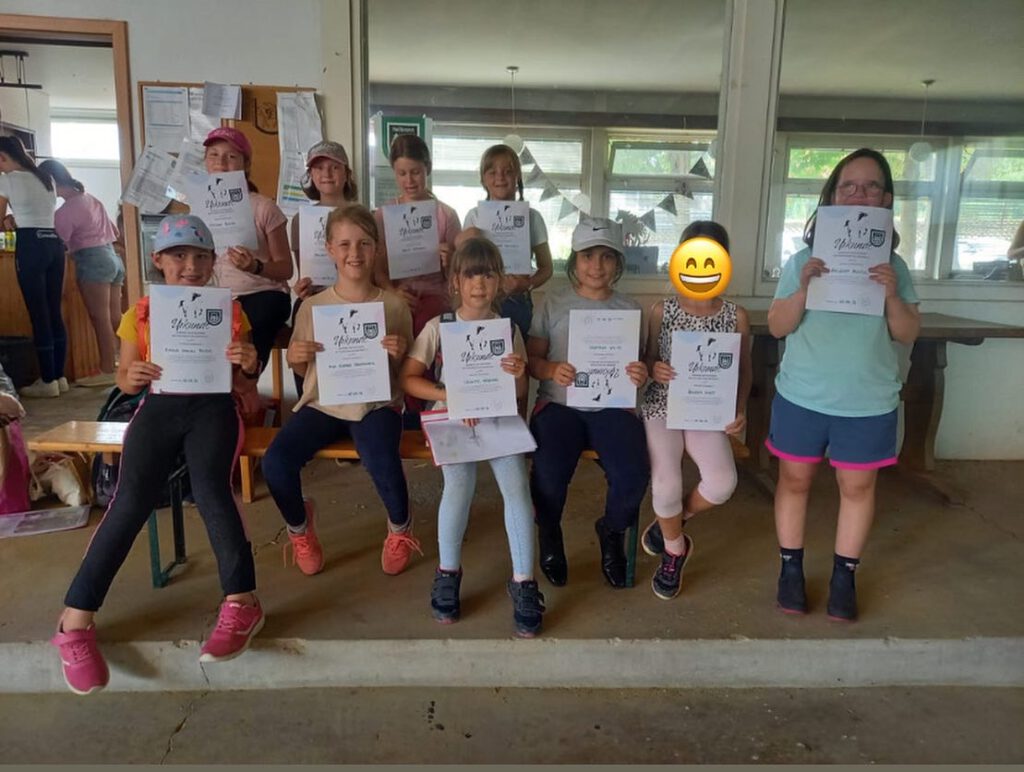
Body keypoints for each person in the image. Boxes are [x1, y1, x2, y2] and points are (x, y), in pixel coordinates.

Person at [51, 214, 264, 695]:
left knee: (211, 490)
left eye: (201, 256)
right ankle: (74, 622)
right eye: (179, 255)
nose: (191, 266)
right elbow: (125, 379)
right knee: (129, 500)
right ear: (158, 261)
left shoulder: (230, 310)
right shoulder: (140, 313)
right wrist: (133, 375)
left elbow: (242, 379)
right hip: (159, 407)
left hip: (214, 409)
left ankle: (242, 602)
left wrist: (248, 364)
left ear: (213, 261)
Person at [766, 148, 920, 621]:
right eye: (848, 186)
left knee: (857, 488)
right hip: (803, 394)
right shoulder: (802, 261)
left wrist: (891, 295)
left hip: (867, 399)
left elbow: (907, 333)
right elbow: (777, 326)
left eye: (871, 186)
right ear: (831, 196)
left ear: (886, 199)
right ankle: (790, 570)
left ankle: (843, 576)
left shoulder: (895, 268)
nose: (859, 194)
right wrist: (803, 289)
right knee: (794, 481)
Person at [262, 204, 420, 577]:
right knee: (275, 462)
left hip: (375, 403)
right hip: (324, 403)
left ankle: (400, 528)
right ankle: (300, 528)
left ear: (377, 248)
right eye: (345, 244)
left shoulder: (394, 306)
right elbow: (305, 370)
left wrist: (399, 354)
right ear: (330, 249)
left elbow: (405, 375)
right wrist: (295, 359)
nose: (355, 253)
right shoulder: (312, 307)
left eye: (364, 243)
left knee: (381, 457)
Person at [400, 236, 544, 637]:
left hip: (497, 419)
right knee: (458, 487)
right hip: (453, 419)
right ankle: (448, 572)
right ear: (456, 282)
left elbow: (519, 392)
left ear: (500, 282)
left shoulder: (508, 330)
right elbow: (409, 379)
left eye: (489, 275)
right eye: (471, 275)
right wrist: (450, 396)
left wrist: (519, 374)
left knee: (517, 489)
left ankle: (524, 581)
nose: (480, 283)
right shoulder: (440, 327)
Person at [526, 217, 649, 589]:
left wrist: (639, 373)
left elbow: (640, 364)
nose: (597, 266)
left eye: (607, 257)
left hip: (612, 406)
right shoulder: (553, 302)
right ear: (574, 261)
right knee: (548, 472)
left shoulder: (631, 309)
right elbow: (532, 361)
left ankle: (611, 530)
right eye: (587, 256)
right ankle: (549, 531)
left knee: (633, 474)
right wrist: (551, 369)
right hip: (560, 405)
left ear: (618, 262)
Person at [638, 221, 752, 600]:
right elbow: (648, 358)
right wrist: (654, 368)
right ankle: (675, 550)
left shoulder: (735, 315)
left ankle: (673, 520)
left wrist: (739, 408)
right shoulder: (662, 310)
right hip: (663, 406)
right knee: (665, 483)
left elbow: (744, 370)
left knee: (722, 482)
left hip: (708, 410)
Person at [203, 126, 293, 372]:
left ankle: (248, 380)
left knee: (248, 319)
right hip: (218, 294)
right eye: (213, 155)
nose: (221, 163)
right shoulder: (199, 209)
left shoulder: (264, 207)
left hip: (263, 293)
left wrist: (255, 266)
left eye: (231, 156)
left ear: (246, 164)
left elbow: (286, 269)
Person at [39, 159, 126, 387]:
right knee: (115, 318)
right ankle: (125, 362)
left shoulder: (66, 210)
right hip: (112, 258)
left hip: (92, 260)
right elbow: (114, 232)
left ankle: (107, 369)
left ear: (50, 181)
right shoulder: (91, 199)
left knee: (100, 318)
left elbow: (58, 243)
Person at [289, 140, 359, 395]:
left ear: (346, 173)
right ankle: (308, 399)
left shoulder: (364, 215)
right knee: (301, 309)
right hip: (317, 297)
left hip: (355, 298)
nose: (326, 174)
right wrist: (302, 287)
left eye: (334, 167)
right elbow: (304, 272)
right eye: (318, 168)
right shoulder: (300, 220)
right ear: (311, 175)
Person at [462, 144, 553, 340]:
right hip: (481, 301)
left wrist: (527, 284)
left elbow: (547, 267)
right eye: (492, 172)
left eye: (508, 171)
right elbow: (463, 266)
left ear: (518, 176)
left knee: (518, 355)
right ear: (483, 179)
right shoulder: (474, 217)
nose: (500, 177)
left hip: (517, 301)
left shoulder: (532, 217)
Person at [373, 133, 461, 335]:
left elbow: (460, 273)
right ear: (394, 172)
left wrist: (450, 260)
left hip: (436, 300)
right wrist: (393, 293)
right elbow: (377, 270)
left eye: (415, 172)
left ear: (427, 168)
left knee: (427, 327)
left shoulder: (446, 215)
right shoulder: (383, 216)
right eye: (402, 173)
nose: (409, 180)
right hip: (395, 295)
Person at [0, 136, 65, 399]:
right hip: (53, 243)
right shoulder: (45, 177)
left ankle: (47, 380)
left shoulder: (7, 179)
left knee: (39, 313)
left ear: (2, 157)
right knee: (53, 310)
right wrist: (13, 217)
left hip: (31, 245)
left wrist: (7, 219)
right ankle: (59, 377)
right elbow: (37, 211)